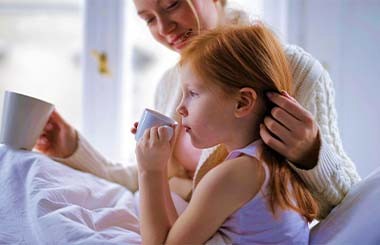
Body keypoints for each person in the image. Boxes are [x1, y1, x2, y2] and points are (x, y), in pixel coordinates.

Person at [35, 0, 360, 220]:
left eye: (173, 3)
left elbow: (344, 206)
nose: (163, 28)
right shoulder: (171, 82)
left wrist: (311, 154)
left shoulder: (294, 70)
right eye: (148, 19)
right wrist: (73, 148)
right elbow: (150, 179)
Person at [136, 23, 319, 244]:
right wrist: (160, 165)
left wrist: (150, 171)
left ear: (242, 102)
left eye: (192, 93)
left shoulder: (233, 176)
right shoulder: (266, 163)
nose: (180, 108)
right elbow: (178, 236)